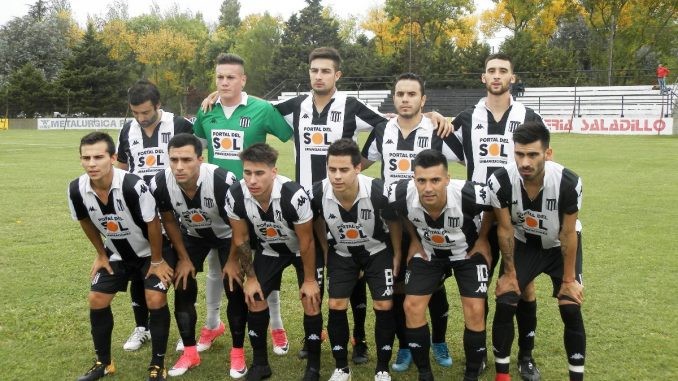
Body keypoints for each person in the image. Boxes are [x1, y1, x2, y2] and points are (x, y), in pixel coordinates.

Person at [447, 53, 545, 381]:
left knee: (524, 287)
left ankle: (525, 356)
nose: (497, 75)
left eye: (503, 70)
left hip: (517, 214)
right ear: (483, 77)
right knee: (479, 288)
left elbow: (537, 165)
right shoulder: (466, 117)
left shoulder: (529, 116)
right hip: (478, 217)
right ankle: (482, 354)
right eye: (491, 70)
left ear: (512, 78)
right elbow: (449, 153)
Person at [192, 53, 296, 356]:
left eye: (231, 77)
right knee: (216, 267)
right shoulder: (206, 110)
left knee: (263, 265)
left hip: (256, 200)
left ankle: (276, 325)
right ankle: (212, 324)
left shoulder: (262, 109)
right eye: (220, 77)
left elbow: (291, 135)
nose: (224, 82)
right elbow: (200, 142)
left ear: (243, 79)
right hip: (219, 202)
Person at [361, 73, 459, 372]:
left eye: (411, 94)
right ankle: (405, 346)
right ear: (394, 98)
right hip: (391, 222)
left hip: (428, 222)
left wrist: (445, 121)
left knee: (435, 285)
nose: (405, 99)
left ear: (423, 99)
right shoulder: (381, 129)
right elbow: (361, 163)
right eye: (400, 94)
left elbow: (468, 159)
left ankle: (438, 341)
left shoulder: (436, 130)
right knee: (401, 284)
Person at [68, 132, 173, 381]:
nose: (91, 163)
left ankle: (158, 364)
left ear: (113, 157)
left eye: (98, 157)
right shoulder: (76, 188)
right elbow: (84, 220)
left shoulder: (133, 185)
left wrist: (157, 260)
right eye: (86, 158)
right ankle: (103, 363)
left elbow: (153, 225)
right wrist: (101, 254)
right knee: (96, 298)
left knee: (155, 298)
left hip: (151, 252)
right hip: (117, 253)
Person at [486, 122, 585, 381]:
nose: (524, 162)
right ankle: (508, 371)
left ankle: (576, 376)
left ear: (548, 154)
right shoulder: (500, 181)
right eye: (519, 154)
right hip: (525, 244)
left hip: (557, 247)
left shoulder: (568, 182)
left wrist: (568, 280)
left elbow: (568, 233)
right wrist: (509, 273)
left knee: (570, 306)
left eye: (532, 154)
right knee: (507, 300)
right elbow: (505, 230)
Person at [149, 133, 249, 378]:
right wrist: (183, 258)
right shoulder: (160, 183)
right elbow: (169, 220)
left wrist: (234, 259)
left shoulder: (223, 180)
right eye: (174, 160)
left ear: (200, 159)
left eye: (186, 160)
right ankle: (190, 352)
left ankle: (237, 353)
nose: (179, 166)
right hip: (192, 236)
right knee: (182, 284)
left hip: (229, 236)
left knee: (234, 286)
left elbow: (241, 226)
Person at [387, 149, 492, 381]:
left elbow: (495, 207)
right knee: (411, 306)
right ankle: (425, 374)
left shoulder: (470, 193)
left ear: (447, 178)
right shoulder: (401, 193)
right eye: (421, 180)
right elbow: (397, 212)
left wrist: (484, 238)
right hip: (429, 253)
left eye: (435, 180)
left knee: (475, 309)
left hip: (466, 254)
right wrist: (414, 240)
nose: (428, 188)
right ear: (413, 179)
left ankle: (471, 375)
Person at [224, 143, 323, 381]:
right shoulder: (235, 194)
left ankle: (313, 366)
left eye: (259, 173)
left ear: (273, 172)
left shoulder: (293, 194)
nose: (252, 180)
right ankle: (260, 364)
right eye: (247, 173)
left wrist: (310, 279)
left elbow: (307, 241)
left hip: (302, 251)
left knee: (311, 300)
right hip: (270, 249)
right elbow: (241, 238)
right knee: (255, 298)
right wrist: (251, 278)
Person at [115, 79, 194, 353]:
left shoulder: (180, 125)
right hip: (139, 213)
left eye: (146, 112)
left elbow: (195, 161)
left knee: (184, 265)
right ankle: (142, 327)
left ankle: (187, 332)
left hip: (175, 209)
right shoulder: (127, 130)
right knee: (140, 269)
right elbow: (122, 169)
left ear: (158, 105)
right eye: (135, 112)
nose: (141, 118)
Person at [309, 139, 397, 381]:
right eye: (332, 169)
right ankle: (341, 368)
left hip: (376, 251)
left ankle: (382, 369)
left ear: (358, 168)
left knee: (383, 306)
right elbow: (314, 219)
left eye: (344, 169)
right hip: (342, 253)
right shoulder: (317, 192)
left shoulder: (378, 190)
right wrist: (326, 249)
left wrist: (397, 254)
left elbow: (395, 222)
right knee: (336, 305)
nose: (337, 176)